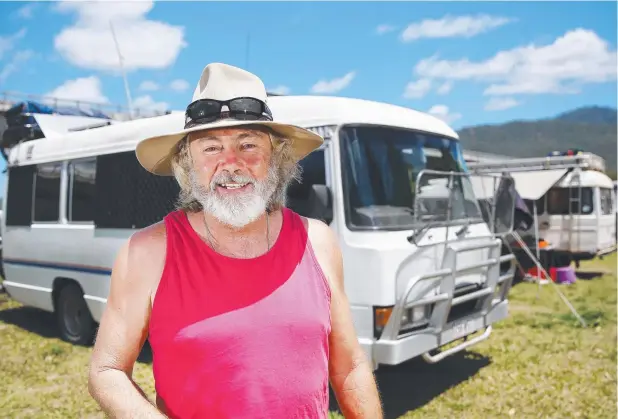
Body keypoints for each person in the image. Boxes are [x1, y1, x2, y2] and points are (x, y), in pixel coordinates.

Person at [88, 62, 383, 418]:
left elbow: (349, 368)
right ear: (187, 164)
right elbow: (107, 372)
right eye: (210, 148)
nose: (231, 163)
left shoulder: (317, 241)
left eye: (248, 144)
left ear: (277, 158)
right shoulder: (148, 251)